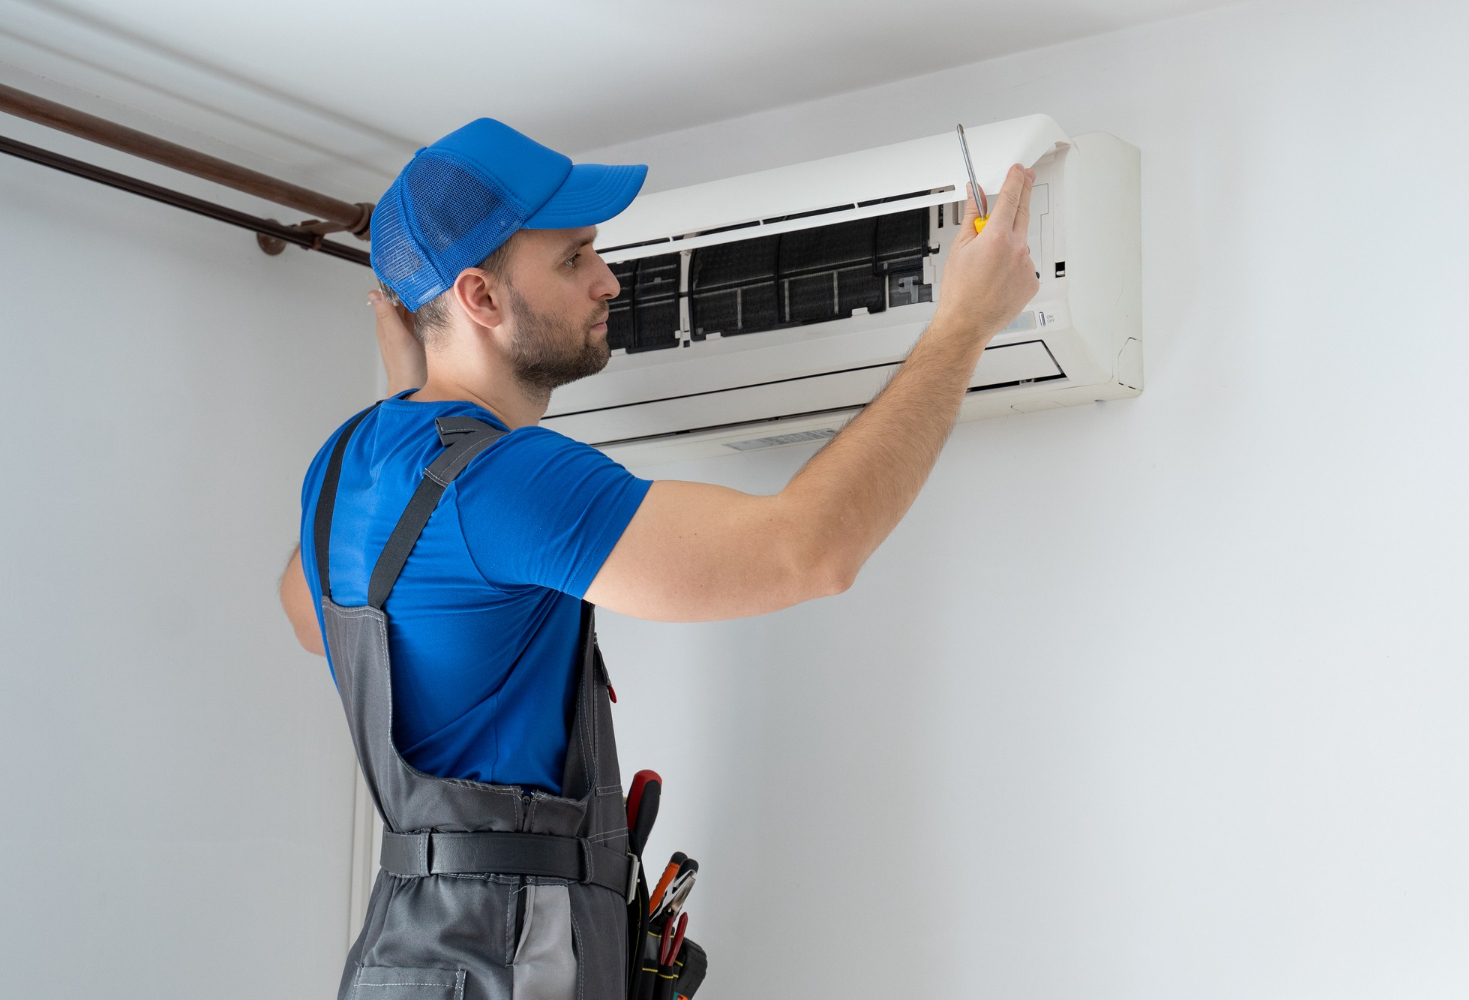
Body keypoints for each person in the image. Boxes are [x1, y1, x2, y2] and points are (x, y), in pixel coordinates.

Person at [278, 116, 1036, 1000]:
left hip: (407, 951)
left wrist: (414, 386)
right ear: (480, 298)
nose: (607, 280)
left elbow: (310, 616)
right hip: (507, 956)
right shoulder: (506, 482)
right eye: (573, 260)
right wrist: (963, 327)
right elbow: (809, 551)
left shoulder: (345, 464)